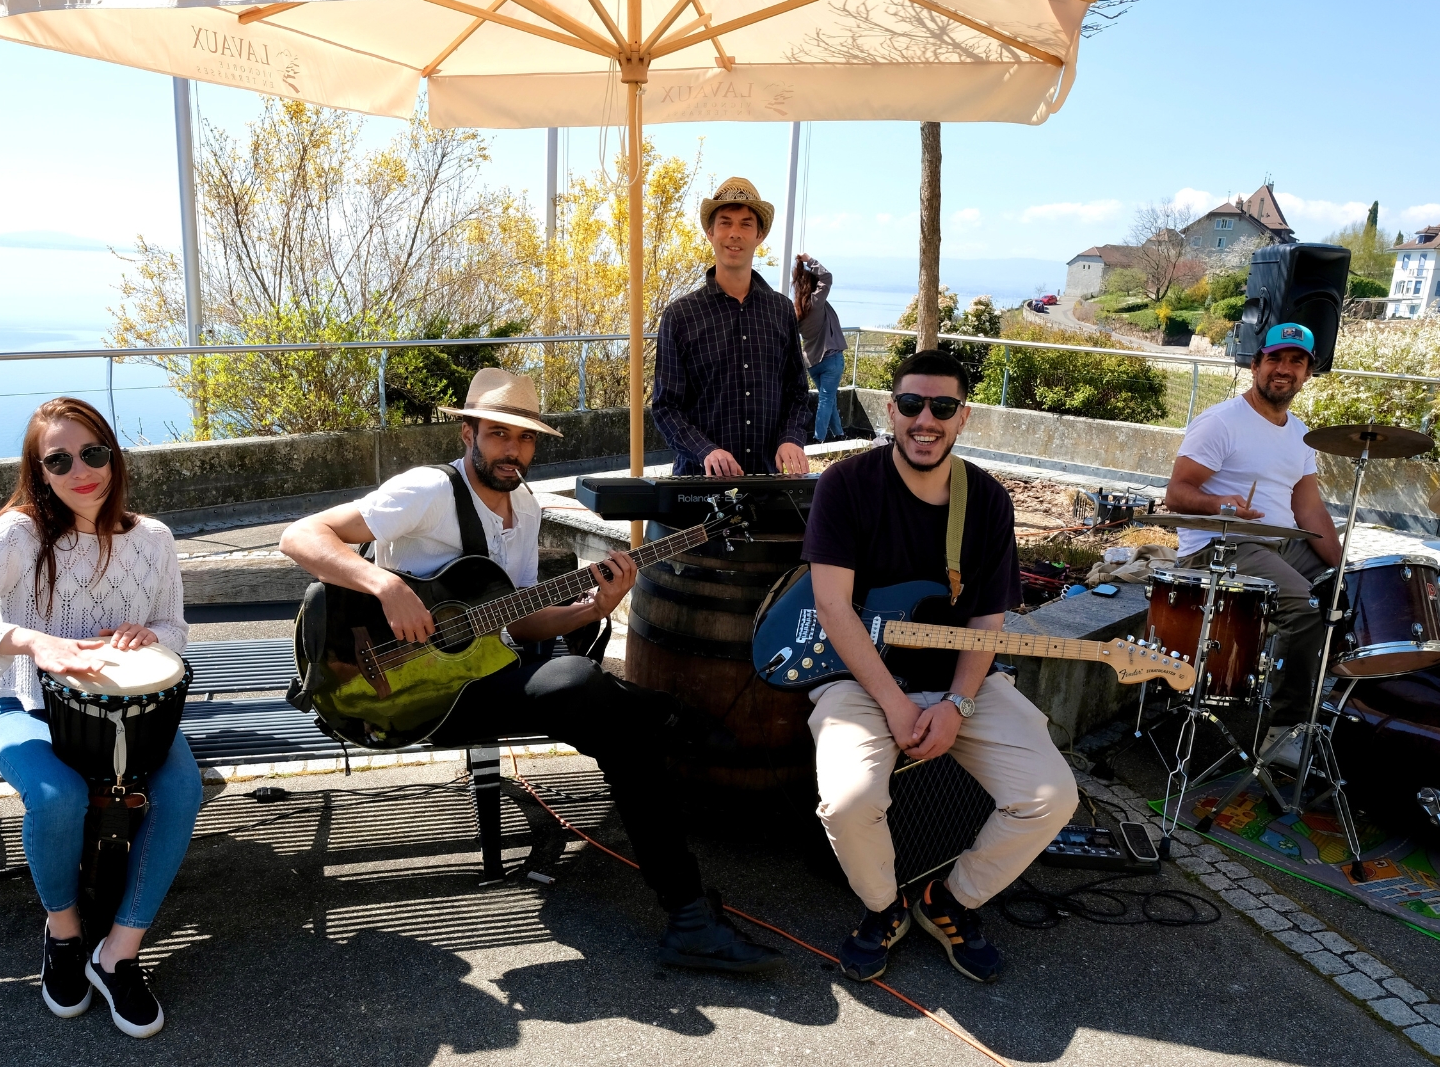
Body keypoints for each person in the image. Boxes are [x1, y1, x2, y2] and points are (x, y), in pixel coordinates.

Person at [278, 367, 782, 973]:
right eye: (497, 435)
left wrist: (596, 606)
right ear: (468, 434)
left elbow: (512, 621)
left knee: (607, 717)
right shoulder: (427, 491)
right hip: (400, 693)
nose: (512, 451)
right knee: (589, 692)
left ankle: (689, 914)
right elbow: (300, 536)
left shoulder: (525, 506)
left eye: (524, 439)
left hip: (480, 678)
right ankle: (672, 747)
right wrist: (384, 585)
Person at [0, 397, 195, 1039]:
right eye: (58, 460)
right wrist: (33, 642)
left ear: (113, 456)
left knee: (181, 792)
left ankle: (117, 951)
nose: (81, 470)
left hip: (133, 714)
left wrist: (144, 633)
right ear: (40, 472)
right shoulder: (17, 534)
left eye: (93, 452)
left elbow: (176, 630)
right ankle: (63, 931)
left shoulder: (153, 540)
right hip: (25, 706)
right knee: (56, 793)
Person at [801, 349, 1075, 985]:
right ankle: (884, 907)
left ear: (963, 417)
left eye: (943, 408)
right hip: (861, 679)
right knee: (847, 803)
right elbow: (833, 609)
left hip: (959, 682)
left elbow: (986, 622)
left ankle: (949, 902)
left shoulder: (985, 501)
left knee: (1051, 797)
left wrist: (958, 705)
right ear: (891, 410)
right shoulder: (846, 485)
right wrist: (897, 705)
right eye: (912, 405)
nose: (926, 420)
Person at [1164, 323, 1344, 725]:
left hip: (1279, 544)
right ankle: (1287, 728)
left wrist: (1344, 573)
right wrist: (1217, 504)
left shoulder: (1301, 434)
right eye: (1274, 358)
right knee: (1308, 607)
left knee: (1349, 599)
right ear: (1255, 364)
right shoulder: (1223, 421)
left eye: (1296, 361)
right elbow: (1176, 493)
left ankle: (1345, 709)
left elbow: (1311, 512)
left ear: (1308, 373)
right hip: (1222, 545)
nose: (1284, 369)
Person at [652, 176, 813, 477]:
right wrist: (706, 451)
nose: (734, 233)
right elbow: (665, 408)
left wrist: (792, 438)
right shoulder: (680, 315)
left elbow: (797, 393)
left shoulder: (780, 310)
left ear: (760, 235)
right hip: (698, 489)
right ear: (710, 233)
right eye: (725, 223)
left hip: (769, 485)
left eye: (745, 224)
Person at [794, 254, 849, 443]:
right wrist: (809, 260)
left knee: (829, 398)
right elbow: (827, 277)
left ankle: (840, 434)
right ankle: (819, 439)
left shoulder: (798, 310)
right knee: (826, 400)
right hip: (830, 358)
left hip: (812, 362)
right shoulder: (817, 302)